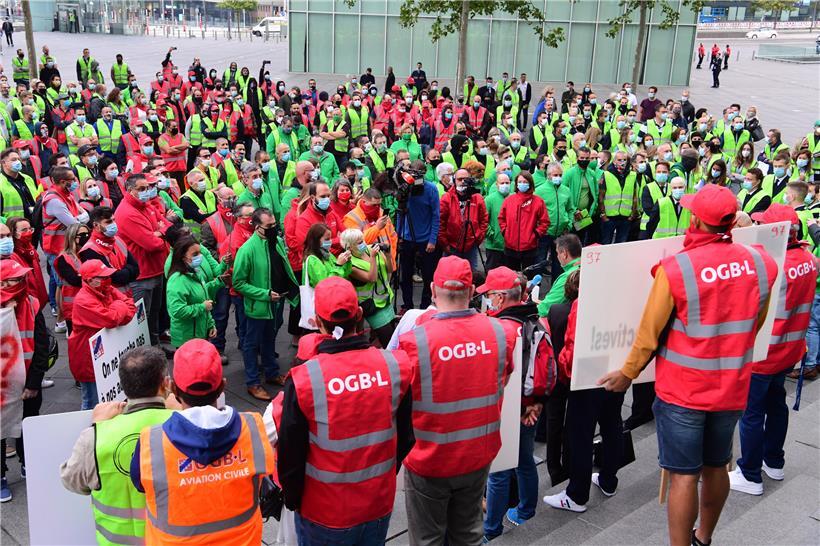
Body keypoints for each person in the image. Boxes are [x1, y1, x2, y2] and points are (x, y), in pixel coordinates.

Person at [598, 184, 778, 546]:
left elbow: (648, 334)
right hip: (731, 388)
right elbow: (754, 323)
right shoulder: (761, 263)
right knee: (717, 465)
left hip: (684, 391)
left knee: (682, 476)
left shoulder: (677, 269)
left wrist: (627, 373)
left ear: (696, 219)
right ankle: (704, 538)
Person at [278, 276, 413, 544]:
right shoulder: (395, 367)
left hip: (324, 511)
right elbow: (406, 437)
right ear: (360, 314)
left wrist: (292, 500)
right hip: (377, 504)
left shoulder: (305, 379)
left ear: (317, 323)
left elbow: (290, 455)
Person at [398, 256, 515, 545]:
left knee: (428, 539)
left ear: (433, 291)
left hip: (430, 461)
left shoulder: (415, 342)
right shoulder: (501, 333)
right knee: (468, 534)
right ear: (473, 289)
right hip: (477, 456)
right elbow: (503, 381)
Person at [130, 339, 275, 545]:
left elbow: (140, 483)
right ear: (222, 386)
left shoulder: (151, 442)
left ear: (172, 388)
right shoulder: (253, 427)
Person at [729, 205, 816, 496]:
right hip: (790, 350)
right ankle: (774, 462)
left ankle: (750, 474)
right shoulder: (809, 259)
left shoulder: (770, 263)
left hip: (763, 353)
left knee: (752, 413)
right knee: (777, 405)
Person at [60, 346, 173, 545]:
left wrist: (95, 426)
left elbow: (72, 481)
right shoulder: (187, 425)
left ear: (124, 385)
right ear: (165, 384)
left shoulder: (95, 435)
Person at [544, 264, 626, 514]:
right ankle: (609, 480)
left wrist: (567, 372)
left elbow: (571, 345)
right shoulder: (620, 298)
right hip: (616, 367)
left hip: (588, 374)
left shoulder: (581, 305)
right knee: (612, 424)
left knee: (579, 433)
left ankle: (577, 495)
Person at [480, 267, 555, 540]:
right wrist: (536, 404)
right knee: (524, 461)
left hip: (504, 411)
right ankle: (525, 512)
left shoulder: (496, 330)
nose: (487, 299)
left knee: (498, 473)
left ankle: (491, 530)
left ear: (500, 298)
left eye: (489, 294)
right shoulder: (535, 320)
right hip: (530, 408)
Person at [232, 208, 299, 400]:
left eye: (274, 225)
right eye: (268, 226)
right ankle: (252, 382)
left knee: (270, 339)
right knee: (251, 344)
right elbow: (238, 283)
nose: (273, 229)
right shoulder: (247, 249)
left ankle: (271, 372)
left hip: (275, 303)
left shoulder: (276, 241)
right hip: (258, 306)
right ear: (256, 226)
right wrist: (264, 294)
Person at [0, 258, 50, 503]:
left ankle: (26, 462)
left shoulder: (31, 303)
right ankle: (0, 476)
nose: (21, 283)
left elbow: (41, 346)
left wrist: (33, 383)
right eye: (15, 279)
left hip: (27, 382)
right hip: (3, 387)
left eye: (22, 278)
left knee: (27, 425)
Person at [68, 259, 137, 410]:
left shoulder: (106, 288)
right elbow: (112, 319)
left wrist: (117, 309)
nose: (108, 280)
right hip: (88, 361)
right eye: (103, 277)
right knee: (92, 403)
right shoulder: (83, 301)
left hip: (102, 357)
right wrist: (119, 306)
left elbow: (130, 306)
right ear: (90, 280)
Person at [114, 174, 169, 346]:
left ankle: (155, 349)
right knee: (141, 321)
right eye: (142, 189)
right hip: (143, 274)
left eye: (148, 188)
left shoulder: (146, 206)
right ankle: (145, 357)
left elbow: (167, 225)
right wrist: (160, 233)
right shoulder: (128, 213)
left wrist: (160, 232)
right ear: (130, 191)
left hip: (156, 269)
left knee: (154, 315)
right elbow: (151, 244)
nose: (147, 192)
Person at [397, 162, 441, 311]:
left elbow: (436, 216)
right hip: (407, 238)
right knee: (405, 276)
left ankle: (424, 306)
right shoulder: (405, 188)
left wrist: (432, 240)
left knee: (428, 276)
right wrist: (399, 234)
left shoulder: (431, 189)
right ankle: (407, 305)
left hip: (426, 240)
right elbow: (400, 211)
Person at [340, 228, 395, 346]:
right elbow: (372, 278)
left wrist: (388, 255)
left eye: (363, 240)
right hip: (372, 305)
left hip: (386, 300)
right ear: (349, 247)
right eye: (359, 243)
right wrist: (373, 258)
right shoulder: (350, 263)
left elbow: (390, 269)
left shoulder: (372, 249)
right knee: (389, 341)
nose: (363, 244)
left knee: (392, 337)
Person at [166, 236, 224, 349]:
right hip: (186, 339)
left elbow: (205, 300)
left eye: (200, 252)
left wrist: (210, 325)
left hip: (200, 334)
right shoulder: (177, 280)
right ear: (183, 257)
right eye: (195, 254)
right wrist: (202, 307)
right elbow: (177, 311)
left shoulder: (196, 273)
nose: (200, 256)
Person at [80, 206, 140, 295]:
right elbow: (114, 278)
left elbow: (136, 269)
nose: (113, 224)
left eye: (113, 220)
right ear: (96, 225)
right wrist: (127, 271)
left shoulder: (118, 240)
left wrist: (123, 273)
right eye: (108, 222)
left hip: (127, 296)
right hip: (109, 299)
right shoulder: (90, 249)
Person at [499, 171, 549, 271]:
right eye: (520, 181)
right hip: (510, 246)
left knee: (529, 276)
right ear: (516, 184)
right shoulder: (509, 200)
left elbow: (545, 222)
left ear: (530, 183)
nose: (522, 184)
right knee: (512, 278)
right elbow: (501, 218)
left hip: (530, 247)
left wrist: (536, 234)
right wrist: (505, 231)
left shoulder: (538, 201)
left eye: (525, 182)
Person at [438, 169, 488, 269]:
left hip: (471, 246)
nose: (462, 182)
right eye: (459, 179)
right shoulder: (446, 198)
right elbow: (440, 222)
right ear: (454, 180)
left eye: (465, 179)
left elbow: (484, 220)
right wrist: (445, 244)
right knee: (450, 277)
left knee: (471, 277)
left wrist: (478, 238)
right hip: (451, 246)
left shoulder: (477, 198)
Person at [54, 223, 90, 334]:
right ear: (72, 237)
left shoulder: (88, 253)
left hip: (91, 305)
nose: (87, 236)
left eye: (88, 233)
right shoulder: (64, 258)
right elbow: (74, 280)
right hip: (74, 308)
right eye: (82, 234)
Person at [537, 233, 581, 317]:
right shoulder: (588, 266)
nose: (557, 256)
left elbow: (545, 309)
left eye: (557, 253)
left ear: (564, 254)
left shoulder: (568, 277)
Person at [303, 223, 352, 288]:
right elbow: (325, 285)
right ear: (316, 240)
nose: (330, 241)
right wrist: (338, 265)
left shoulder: (328, 254)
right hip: (324, 296)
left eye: (330, 238)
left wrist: (346, 262)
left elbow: (343, 275)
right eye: (327, 239)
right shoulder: (312, 260)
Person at [484, 173, 511, 270]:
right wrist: (492, 235)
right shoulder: (489, 199)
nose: (505, 185)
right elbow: (484, 220)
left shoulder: (514, 198)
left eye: (507, 183)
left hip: (510, 246)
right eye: (502, 183)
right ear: (497, 184)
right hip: (494, 246)